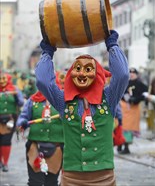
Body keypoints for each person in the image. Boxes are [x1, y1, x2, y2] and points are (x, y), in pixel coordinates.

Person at [35, 30, 129, 186]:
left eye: (88, 69)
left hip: (104, 176)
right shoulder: (63, 101)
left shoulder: (109, 98)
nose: (82, 74)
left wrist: (112, 45)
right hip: (72, 176)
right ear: (71, 73)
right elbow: (43, 82)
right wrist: (47, 53)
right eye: (77, 69)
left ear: (97, 73)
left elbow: (122, 75)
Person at [16, 73, 65, 186]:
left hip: (57, 148)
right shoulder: (32, 101)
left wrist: (66, 117)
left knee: (51, 183)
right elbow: (23, 116)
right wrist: (21, 123)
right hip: (35, 147)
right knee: (35, 182)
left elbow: (73, 120)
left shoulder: (64, 102)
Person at [0, 71, 24, 172]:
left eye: (3, 79)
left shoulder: (15, 89)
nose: (2, 81)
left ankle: (5, 163)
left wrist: (15, 94)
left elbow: (21, 102)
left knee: (6, 141)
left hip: (10, 119)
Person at [120, 67, 148, 154]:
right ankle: (121, 144)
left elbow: (145, 95)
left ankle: (126, 146)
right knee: (122, 127)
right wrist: (124, 97)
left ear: (136, 74)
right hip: (124, 108)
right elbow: (119, 92)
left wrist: (136, 99)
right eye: (130, 73)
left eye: (133, 73)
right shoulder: (125, 83)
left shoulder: (141, 85)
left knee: (129, 129)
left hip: (134, 109)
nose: (131, 74)